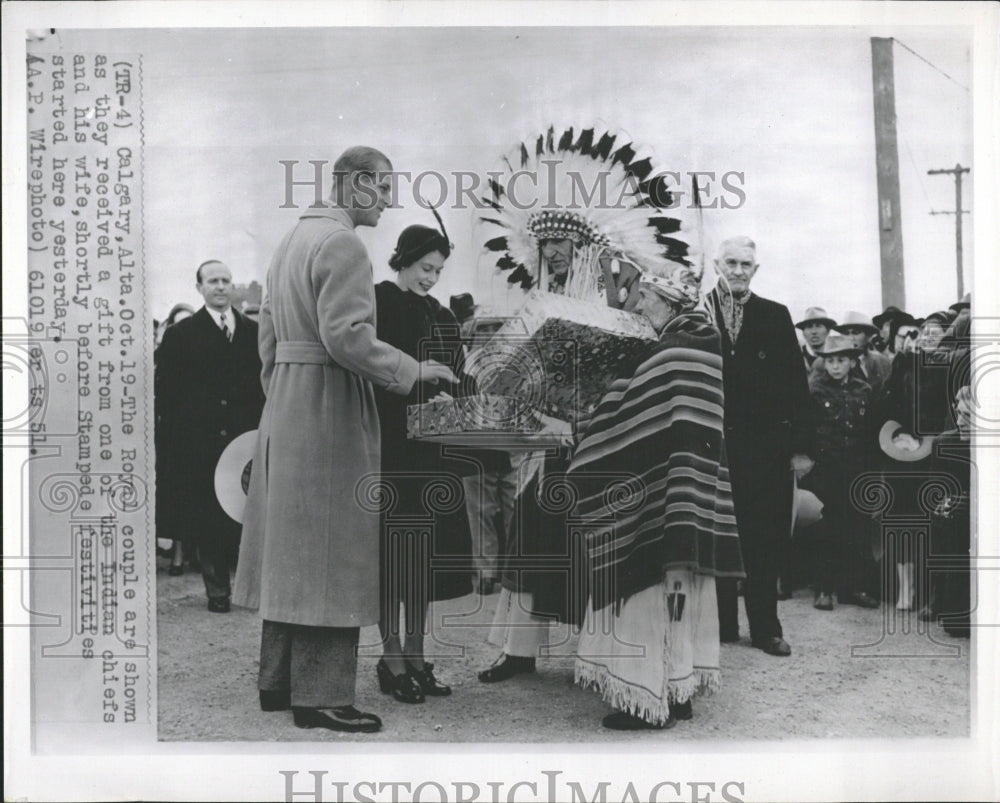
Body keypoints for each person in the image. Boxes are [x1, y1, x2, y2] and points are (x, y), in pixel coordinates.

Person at [231, 147, 458, 733]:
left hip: (288, 403)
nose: (386, 201)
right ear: (355, 184)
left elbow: (268, 343)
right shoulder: (344, 243)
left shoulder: (289, 241)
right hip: (330, 406)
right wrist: (414, 370)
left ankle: (276, 684)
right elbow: (348, 336)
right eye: (382, 188)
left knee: (293, 550)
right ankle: (322, 696)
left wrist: (284, 395)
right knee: (334, 550)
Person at [475, 124, 699, 681]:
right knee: (529, 537)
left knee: (601, 544)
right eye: (545, 248)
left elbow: (641, 347)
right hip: (550, 439)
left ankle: (603, 654)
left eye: (561, 247)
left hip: (607, 436)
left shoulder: (619, 286)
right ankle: (518, 650)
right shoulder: (535, 295)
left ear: (581, 245)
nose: (552, 255)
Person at [570, 264, 744, 730]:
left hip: (662, 492)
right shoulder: (695, 340)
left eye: (645, 295)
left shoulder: (679, 348)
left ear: (667, 299)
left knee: (651, 591)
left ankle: (646, 699)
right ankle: (677, 687)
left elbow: (630, 406)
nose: (638, 303)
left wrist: (596, 412)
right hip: (683, 488)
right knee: (678, 593)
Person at [372, 221, 474, 704]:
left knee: (422, 562)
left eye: (438, 270)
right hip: (390, 449)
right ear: (403, 260)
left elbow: (458, 376)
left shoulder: (443, 314)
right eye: (424, 267)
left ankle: (416, 653)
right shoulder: (377, 302)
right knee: (392, 558)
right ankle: (391, 657)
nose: (431, 278)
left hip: (433, 450)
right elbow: (366, 372)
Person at [707, 236, 815, 657]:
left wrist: (801, 448)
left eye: (745, 264)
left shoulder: (774, 315)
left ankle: (766, 629)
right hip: (713, 445)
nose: (737, 270)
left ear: (756, 269)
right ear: (717, 264)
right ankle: (721, 625)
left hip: (766, 450)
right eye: (730, 262)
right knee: (716, 534)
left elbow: (795, 384)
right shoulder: (698, 314)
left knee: (763, 540)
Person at [154, 262, 264, 609]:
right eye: (213, 281)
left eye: (226, 281)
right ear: (199, 287)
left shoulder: (254, 331)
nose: (220, 287)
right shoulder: (181, 334)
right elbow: (167, 394)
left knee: (247, 511)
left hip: (244, 438)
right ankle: (218, 591)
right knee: (209, 514)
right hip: (200, 441)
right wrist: (173, 442)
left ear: (233, 287)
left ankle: (249, 590)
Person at [799, 333, 880, 611]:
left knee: (857, 526)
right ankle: (824, 588)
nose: (835, 366)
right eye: (830, 360)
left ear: (852, 362)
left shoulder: (864, 390)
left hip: (856, 467)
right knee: (827, 528)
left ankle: (853, 588)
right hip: (826, 468)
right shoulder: (814, 390)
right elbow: (806, 430)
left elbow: (871, 431)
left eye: (841, 360)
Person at [830, 311, 892, 399]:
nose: (851, 338)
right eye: (846, 333)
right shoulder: (828, 362)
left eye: (856, 332)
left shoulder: (882, 361)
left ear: (868, 336)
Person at [795, 306, 837, 372]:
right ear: (803, 333)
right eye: (809, 327)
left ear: (828, 331)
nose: (814, 332)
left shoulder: (836, 357)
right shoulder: (796, 357)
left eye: (818, 326)